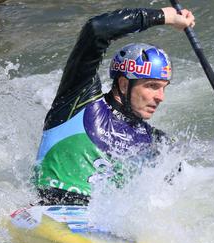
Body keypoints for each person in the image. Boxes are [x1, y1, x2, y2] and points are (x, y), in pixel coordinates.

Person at [32, 7, 195, 206]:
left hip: (104, 226)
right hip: (50, 209)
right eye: (152, 86)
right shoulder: (78, 102)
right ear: (124, 84)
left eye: (163, 88)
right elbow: (96, 30)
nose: (160, 97)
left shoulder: (156, 143)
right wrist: (164, 16)